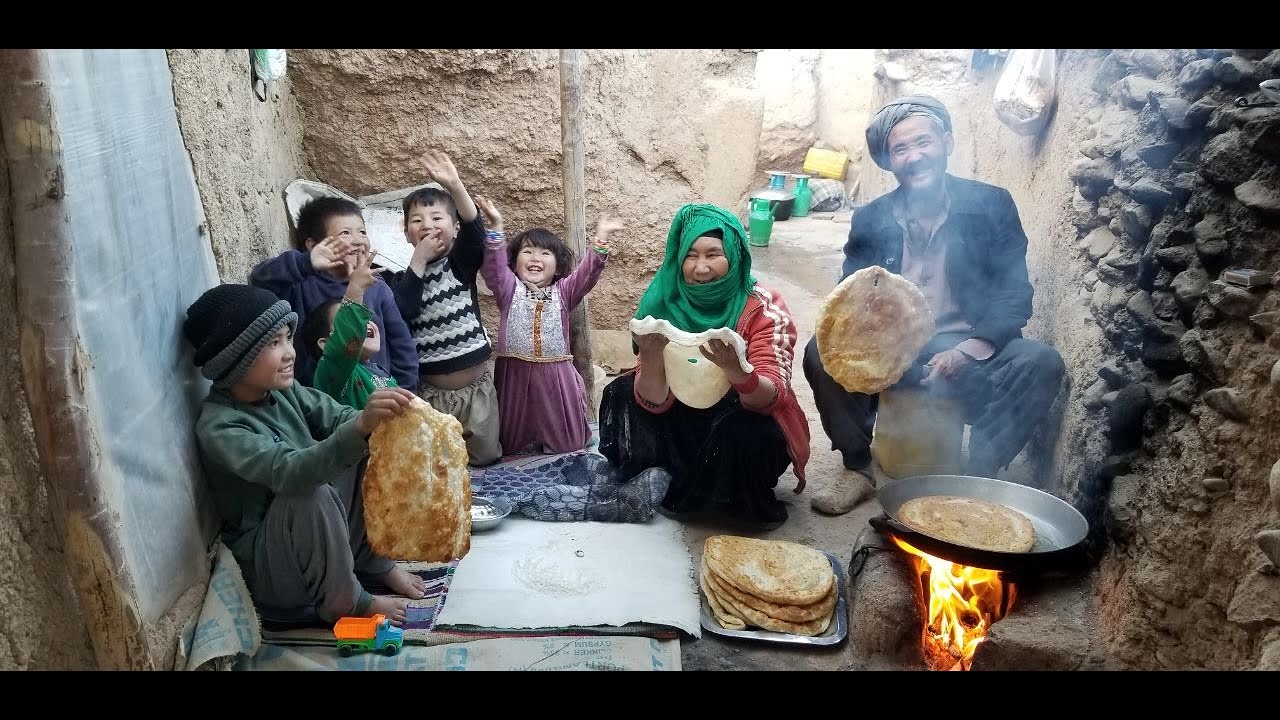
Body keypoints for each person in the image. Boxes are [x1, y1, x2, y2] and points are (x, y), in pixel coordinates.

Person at [803, 94, 1066, 515]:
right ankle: (857, 468)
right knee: (821, 353)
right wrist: (877, 347)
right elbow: (849, 298)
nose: (915, 157)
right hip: (893, 353)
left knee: (1039, 361)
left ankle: (977, 479)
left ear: (946, 141)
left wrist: (966, 351)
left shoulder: (991, 206)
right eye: (900, 149)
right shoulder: (872, 218)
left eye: (923, 142)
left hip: (969, 351)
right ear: (889, 161)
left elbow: (1014, 296)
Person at [184, 284, 427, 627]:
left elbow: (337, 416)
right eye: (273, 343)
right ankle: (345, 601)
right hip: (274, 572)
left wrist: (376, 422)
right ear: (234, 359)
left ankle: (373, 562)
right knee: (308, 491)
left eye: (287, 338)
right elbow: (290, 471)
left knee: (365, 447)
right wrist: (358, 426)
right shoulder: (221, 427)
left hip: (316, 536)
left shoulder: (283, 390)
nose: (290, 353)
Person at [597, 203, 810, 528]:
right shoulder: (662, 304)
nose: (700, 267)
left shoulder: (763, 309)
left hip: (741, 411)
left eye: (713, 254)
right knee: (621, 392)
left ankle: (734, 500)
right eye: (690, 255)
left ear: (734, 254)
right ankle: (675, 481)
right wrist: (652, 355)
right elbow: (652, 401)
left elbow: (773, 397)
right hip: (682, 408)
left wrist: (737, 371)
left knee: (747, 432)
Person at [475, 194, 622, 455]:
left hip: (556, 374)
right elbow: (494, 268)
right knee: (510, 444)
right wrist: (496, 225)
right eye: (527, 251)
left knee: (570, 444)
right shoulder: (509, 289)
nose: (535, 257)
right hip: (515, 373)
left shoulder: (564, 292)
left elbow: (587, 275)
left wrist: (600, 240)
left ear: (557, 266)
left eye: (545, 253)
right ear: (515, 262)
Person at [386, 151, 500, 466]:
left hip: (476, 391)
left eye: (437, 218)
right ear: (406, 231)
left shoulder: (459, 265)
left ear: (453, 227)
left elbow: (476, 230)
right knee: (439, 461)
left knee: (485, 457)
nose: (428, 225)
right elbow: (402, 311)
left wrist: (455, 185)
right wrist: (418, 262)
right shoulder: (402, 278)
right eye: (417, 221)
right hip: (431, 394)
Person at [249, 196, 418, 391]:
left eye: (362, 232)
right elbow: (261, 278)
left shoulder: (377, 287)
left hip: (377, 396)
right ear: (313, 245)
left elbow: (402, 346)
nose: (357, 240)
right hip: (322, 401)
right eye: (345, 233)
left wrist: (406, 392)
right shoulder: (301, 284)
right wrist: (307, 262)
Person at [302, 249, 397, 410]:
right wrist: (356, 288)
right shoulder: (334, 373)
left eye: (364, 318)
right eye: (350, 320)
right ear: (325, 344)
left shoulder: (381, 372)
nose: (363, 323)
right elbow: (343, 344)